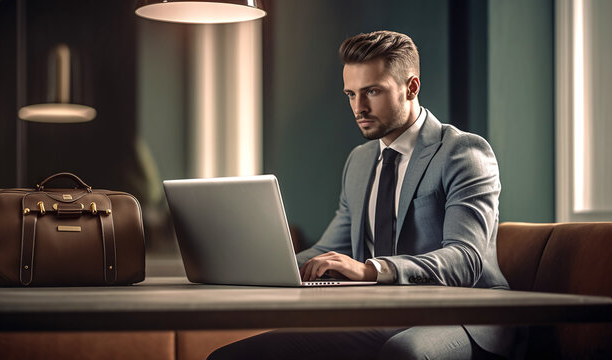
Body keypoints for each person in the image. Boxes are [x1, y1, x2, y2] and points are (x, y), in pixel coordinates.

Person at [208, 30, 524, 360]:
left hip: (466, 317)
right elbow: (330, 250)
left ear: (411, 87)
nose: (359, 107)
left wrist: (372, 270)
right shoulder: (359, 161)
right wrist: (262, 271)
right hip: (384, 317)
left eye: (372, 91)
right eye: (351, 94)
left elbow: (465, 259)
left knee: (403, 352)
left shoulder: (462, 152)